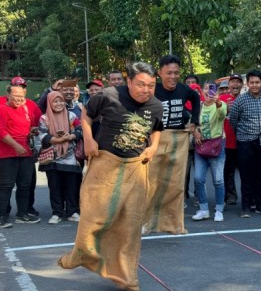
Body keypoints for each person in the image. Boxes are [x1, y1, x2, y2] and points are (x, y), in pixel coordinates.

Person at [58, 62, 163, 290]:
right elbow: (86, 115)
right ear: (129, 82)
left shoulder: (156, 105)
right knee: (95, 215)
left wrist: (154, 147)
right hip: (106, 162)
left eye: (151, 85)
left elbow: (156, 129)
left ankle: (128, 279)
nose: (146, 90)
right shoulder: (108, 96)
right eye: (141, 85)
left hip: (136, 166)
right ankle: (82, 253)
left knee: (130, 225)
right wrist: (88, 138)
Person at [143, 54, 200, 234]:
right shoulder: (152, 90)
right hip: (156, 139)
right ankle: (145, 222)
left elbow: (196, 99)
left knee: (175, 184)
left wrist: (195, 121)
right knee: (151, 183)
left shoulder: (184, 89)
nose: (173, 76)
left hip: (178, 141)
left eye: (176, 73)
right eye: (169, 73)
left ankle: (173, 223)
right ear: (160, 73)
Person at [229, 70, 261, 217]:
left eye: (257, 82)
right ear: (247, 83)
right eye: (252, 82)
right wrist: (244, 133)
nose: (255, 85)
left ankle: (260, 204)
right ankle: (246, 206)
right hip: (245, 142)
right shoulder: (240, 100)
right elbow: (233, 121)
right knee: (246, 174)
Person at [0, 84, 42, 228]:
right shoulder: (2, 109)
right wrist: (15, 145)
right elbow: (1, 132)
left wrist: (32, 132)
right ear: (8, 95)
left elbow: (29, 127)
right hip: (7, 155)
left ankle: (22, 214)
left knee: (25, 185)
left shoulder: (25, 109)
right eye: (16, 95)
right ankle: (1, 217)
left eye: (21, 96)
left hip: (26, 153)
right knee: (6, 185)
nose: (19, 99)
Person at [38, 92, 82, 224]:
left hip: (70, 157)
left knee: (72, 185)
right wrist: (57, 140)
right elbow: (42, 136)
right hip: (53, 157)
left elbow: (79, 130)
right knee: (55, 185)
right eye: (55, 101)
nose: (59, 104)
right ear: (50, 103)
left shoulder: (71, 115)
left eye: (61, 101)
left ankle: (72, 211)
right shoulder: (44, 118)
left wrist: (70, 137)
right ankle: (56, 213)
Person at [191, 88, 227, 221]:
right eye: (206, 89)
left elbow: (222, 114)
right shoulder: (198, 106)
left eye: (212, 90)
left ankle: (219, 210)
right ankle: (203, 209)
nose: (209, 93)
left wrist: (218, 102)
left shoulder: (221, 105)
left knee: (218, 180)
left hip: (216, 146)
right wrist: (195, 132)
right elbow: (192, 122)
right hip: (200, 147)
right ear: (202, 92)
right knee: (198, 179)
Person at [220, 74, 244, 205]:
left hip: (243, 141)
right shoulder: (222, 99)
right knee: (228, 171)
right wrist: (225, 109)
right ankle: (230, 195)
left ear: (242, 85)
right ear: (229, 85)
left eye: (238, 82)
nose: (235, 84)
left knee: (246, 171)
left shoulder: (246, 98)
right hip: (226, 142)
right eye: (233, 82)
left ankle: (247, 197)